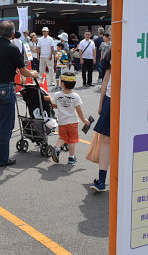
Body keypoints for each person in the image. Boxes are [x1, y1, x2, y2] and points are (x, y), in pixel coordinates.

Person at [0, 21, 39, 167]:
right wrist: (34, 74)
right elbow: (23, 71)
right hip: (5, 88)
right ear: (12, 34)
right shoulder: (12, 48)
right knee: (6, 125)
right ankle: (3, 159)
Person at [46, 72, 90, 164]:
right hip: (73, 122)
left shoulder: (57, 95)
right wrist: (84, 120)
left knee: (62, 137)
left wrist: (50, 98)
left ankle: (57, 148)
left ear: (62, 84)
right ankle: (71, 157)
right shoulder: (75, 97)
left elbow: (55, 106)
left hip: (62, 122)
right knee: (72, 140)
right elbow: (78, 110)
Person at [91, 52, 111, 193]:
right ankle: (102, 180)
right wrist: (101, 103)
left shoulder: (140, 44)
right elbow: (106, 78)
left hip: (131, 100)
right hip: (111, 98)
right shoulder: (112, 52)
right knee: (105, 139)